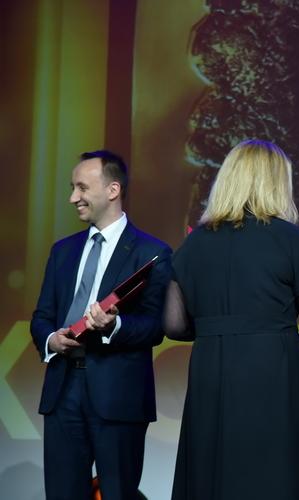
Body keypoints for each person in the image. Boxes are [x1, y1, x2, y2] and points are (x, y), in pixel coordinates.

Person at [163, 139, 299, 500]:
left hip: (211, 368)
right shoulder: (290, 239)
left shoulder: (194, 244)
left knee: (214, 465)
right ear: (277, 183)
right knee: (272, 469)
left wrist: (216, 328)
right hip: (271, 369)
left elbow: (174, 325)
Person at [30, 150, 172, 500]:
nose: (72, 198)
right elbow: (42, 316)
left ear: (113, 190)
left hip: (119, 395)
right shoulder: (62, 251)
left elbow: (155, 327)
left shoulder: (151, 252)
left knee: (118, 493)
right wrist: (51, 340)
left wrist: (113, 325)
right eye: (72, 188)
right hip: (63, 390)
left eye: (81, 187)